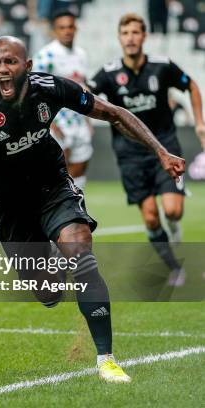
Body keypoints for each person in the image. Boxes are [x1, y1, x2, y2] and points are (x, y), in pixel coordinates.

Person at [0, 36, 185, 383]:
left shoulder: (49, 88)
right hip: (7, 204)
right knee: (49, 292)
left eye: (10, 62)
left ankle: (106, 359)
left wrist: (160, 151)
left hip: (51, 185)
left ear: (28, 66)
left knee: (80, 252)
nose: (3, 70)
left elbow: (113, 113)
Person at [88, 13, 205, 286]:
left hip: (166, 146)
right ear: (120, 38)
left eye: (135, 32)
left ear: (144, 36)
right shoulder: (107, 72)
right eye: (125, 33)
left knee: (173, 210)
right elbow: (86, 94)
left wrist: (199, 122)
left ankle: (175, 227)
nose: (130, 38)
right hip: (130, 153)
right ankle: (175, 267)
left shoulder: (162, 66)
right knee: (151, 216)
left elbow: (192, 86)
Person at [34, 9, 92, 190]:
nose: (67, 31)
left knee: (80, 168)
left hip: (79, 120)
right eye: (62, 27)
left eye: (70, 27)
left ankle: (77, 207)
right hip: (57, 121)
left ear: (76, 28)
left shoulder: (81, 54)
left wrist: (88, 120)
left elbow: (84, 87)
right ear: (54, 30)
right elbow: (35, 92)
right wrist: (49, 123)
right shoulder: (46, 56)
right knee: (58, 171)